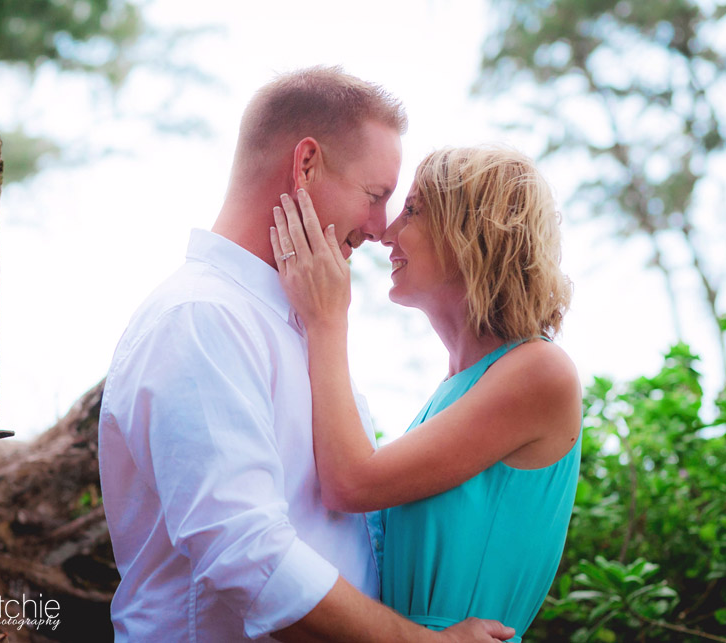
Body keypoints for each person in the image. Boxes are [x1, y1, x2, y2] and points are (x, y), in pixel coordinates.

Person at [98, 68, 515, 642]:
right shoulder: (202, 318)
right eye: (376, 196)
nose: (379, 229)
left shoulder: (292, 324)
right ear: (306, 165)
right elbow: (246, 555)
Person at [269, 146, 582, 643]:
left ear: (472, 231)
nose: (387, 233)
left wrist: (326, 319)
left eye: (412, 210)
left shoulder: (539, 372)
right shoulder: (456, 389)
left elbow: (349, 483)